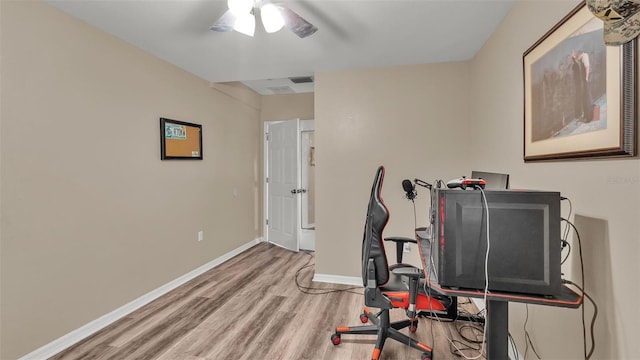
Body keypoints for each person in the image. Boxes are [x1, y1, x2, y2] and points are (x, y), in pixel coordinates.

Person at [571, 49, 594, 122]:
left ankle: (588, 116)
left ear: (580, 55)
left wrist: (586, 78)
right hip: (583, 82)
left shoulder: (584, 57)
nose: (577, 58)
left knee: (586, 99)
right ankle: (586, 116)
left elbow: (587, 68)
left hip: (584, 82)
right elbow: (577, 61)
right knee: (584, 99)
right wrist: (573, 58)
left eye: (577, 56)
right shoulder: (580, 59)